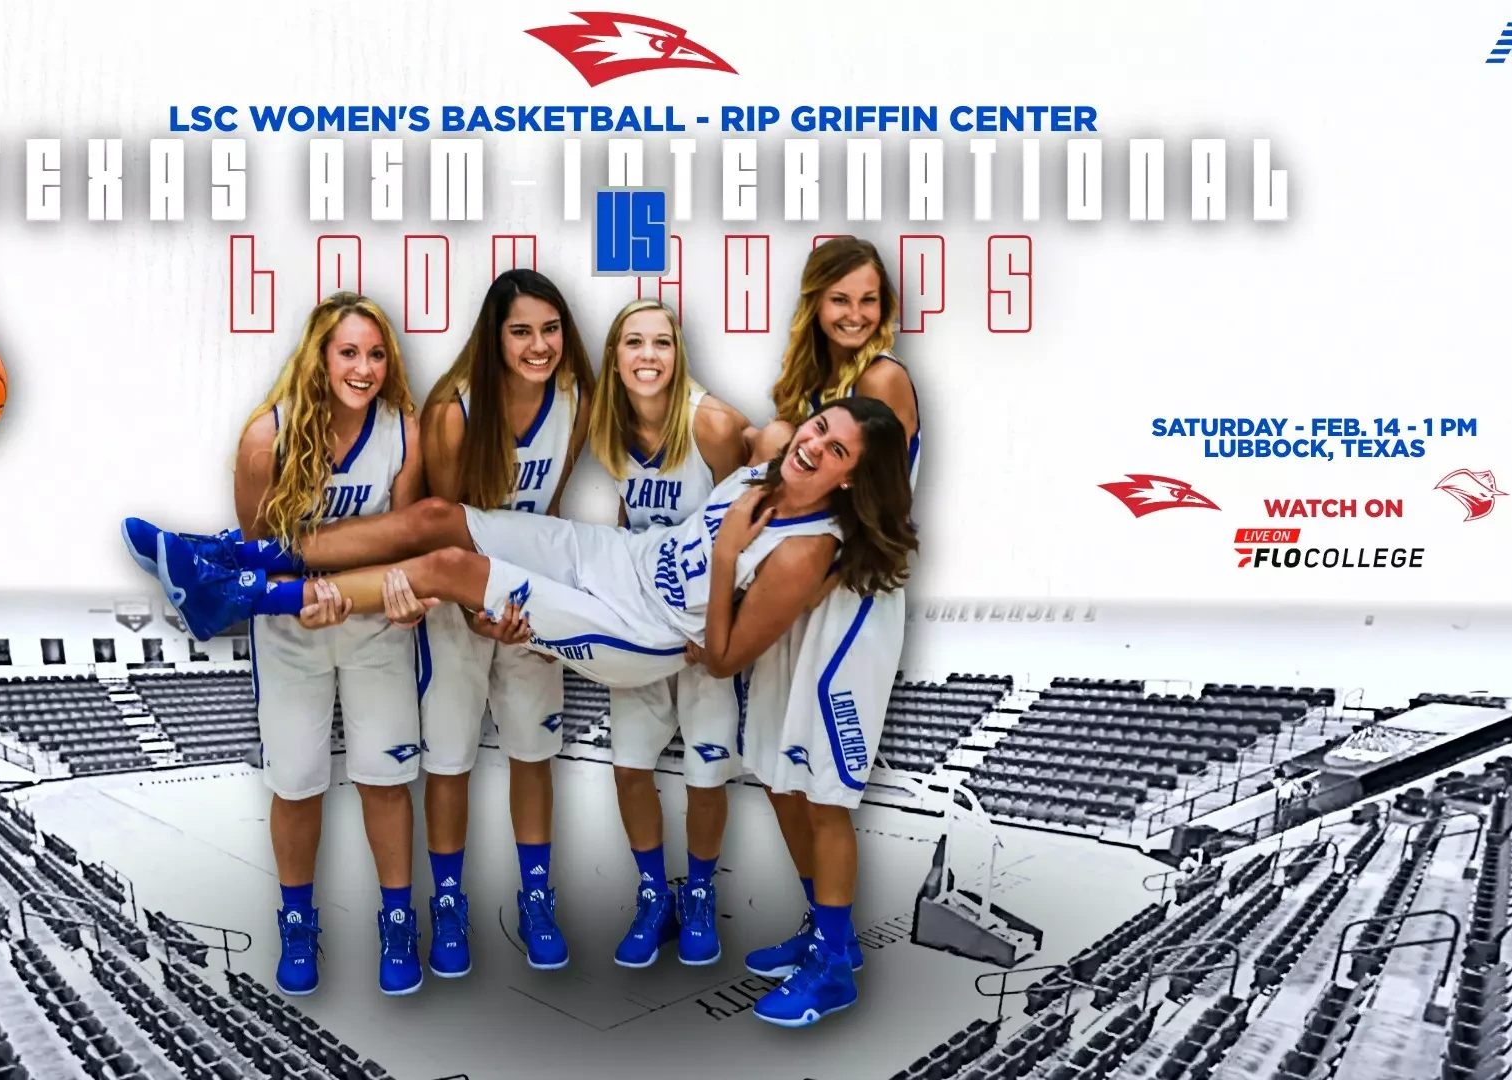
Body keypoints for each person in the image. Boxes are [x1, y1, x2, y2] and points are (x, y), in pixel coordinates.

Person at [127, 395, 915, 696]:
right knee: (440, 514)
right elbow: (712, 412)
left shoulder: (806, 551)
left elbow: (723, 658)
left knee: (450, 570)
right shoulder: (770, 454)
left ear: (851, 479)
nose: (816, 447)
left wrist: (720, 559)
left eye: (839, 452)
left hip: (645, 634)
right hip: (621, 560)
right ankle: (248, 555)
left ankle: (242, 599)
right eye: (821, 428)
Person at [127, 294, 428, 997]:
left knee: (386, 781)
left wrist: (382, 596)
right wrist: (302, 594)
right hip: (293, 637)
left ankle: (397, 922)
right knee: (296, 784)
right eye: (349, 352)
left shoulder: (403, 432)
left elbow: (406, 539)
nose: (364, 367)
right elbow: (266, 558)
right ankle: (298, 921)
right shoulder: (267, 436)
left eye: (376, 354)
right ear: (319, 356)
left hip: (374, 628)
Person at [741, 237, 922, 1028]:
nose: (855, 314)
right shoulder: (810, 384)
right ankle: (827, 933)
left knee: (823, 791)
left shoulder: (883, 379)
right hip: (800, 586)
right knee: (781, 775)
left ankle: (837, 968)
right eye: (840, 298)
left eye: (869, 300)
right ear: (816, 301)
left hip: (851, 591)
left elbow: (874, 503)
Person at [584, 299, 753, 968]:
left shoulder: (710, 424)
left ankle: (701, 894)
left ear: (679, 353)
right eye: (634, 342)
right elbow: (631, 514)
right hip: (646, 629)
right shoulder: (611, 429)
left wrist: (723, 629)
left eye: (661, 342)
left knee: (707, 774)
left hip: (702, 636)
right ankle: (655, 894)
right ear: (616, 355)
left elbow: (760, 525)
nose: (647, 355)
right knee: (629, 767)